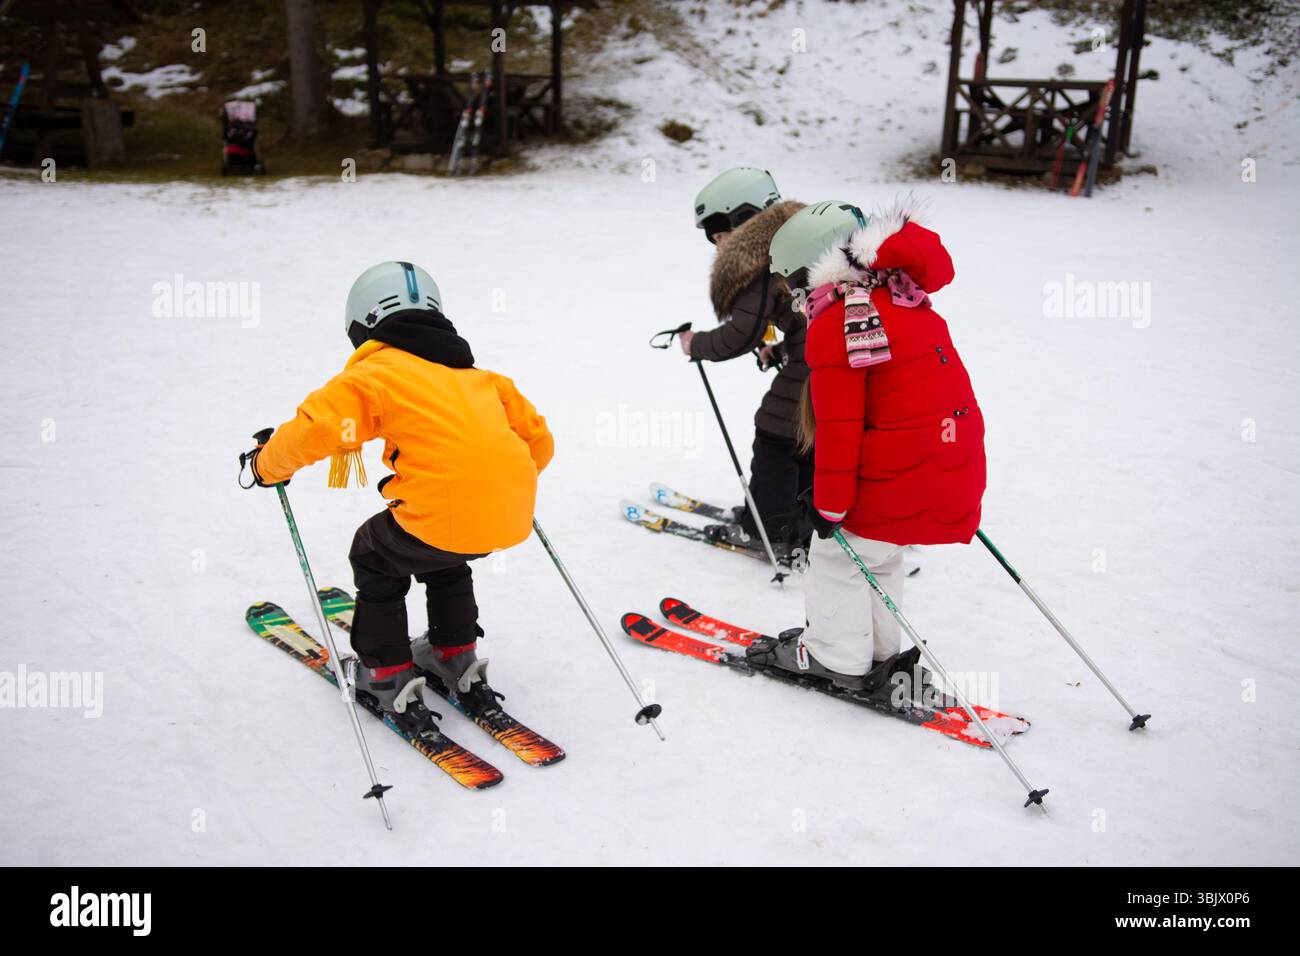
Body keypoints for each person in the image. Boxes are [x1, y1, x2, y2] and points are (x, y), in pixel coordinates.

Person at [247, 261, 553, 731]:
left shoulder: (375, 377)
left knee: (374, 553)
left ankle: (385, 672)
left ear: (364, 325)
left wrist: (266, 465)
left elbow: (317, 428)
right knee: (445, 555)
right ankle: (454, 654)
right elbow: (538, 443)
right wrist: (497, 482)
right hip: (506, 517)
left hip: (444, 515)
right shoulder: (482, 379)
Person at [747, 199, 986, 691]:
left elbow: (839, 426)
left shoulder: (839, 322)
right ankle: (876, 651)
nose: (795, 300)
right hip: (948, 466)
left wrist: (830, 507)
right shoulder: (906, 302)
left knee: (835, 558)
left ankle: (836, 657)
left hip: (901, 472)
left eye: (793, 286)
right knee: (877, 554)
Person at [680, 167, 809, 556]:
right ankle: (804, 519)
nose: (720, 246)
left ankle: (767, 528)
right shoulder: (799, 236)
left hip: (820, 359)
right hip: (833, 354)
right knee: (807, 435)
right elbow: (806, 321)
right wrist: (782, 351)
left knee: (776, 431)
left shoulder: (760, 259)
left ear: (743, 220)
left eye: (721, 235)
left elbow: (742, 334)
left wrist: (695, 344)